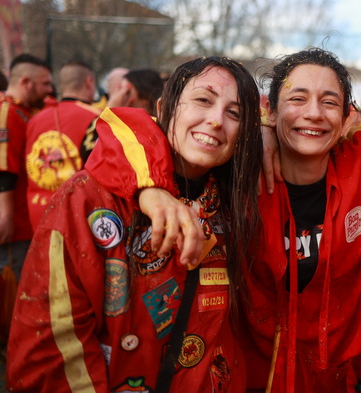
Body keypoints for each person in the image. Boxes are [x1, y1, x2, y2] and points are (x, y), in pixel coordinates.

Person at [75, 46, 361, 392]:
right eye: (297, 99)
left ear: (347, 116)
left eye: (329, 102)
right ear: (271, 111)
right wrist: (151, 187)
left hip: (340, 378)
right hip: (249, 374)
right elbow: (125, 126)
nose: (313, 113)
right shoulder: (238, 169)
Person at [7, 56, 263, 392]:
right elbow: (53, 344)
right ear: (164, 107)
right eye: (203, 100)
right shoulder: (89, 197)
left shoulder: (237, 204)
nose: (216, 120)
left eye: (235, 113)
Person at [25, 60, 101, 229]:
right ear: (89, 82)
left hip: (38, 212)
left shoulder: (35, 119)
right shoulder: (96, 118)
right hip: (74, 213)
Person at [0, 53, 52, 279]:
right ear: (25, 82)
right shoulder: (7, 111)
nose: (49, 90)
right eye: (45, 84)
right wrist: (5, 216)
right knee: (12, 281)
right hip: (15, 223)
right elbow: (4, 168)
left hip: (26, 219)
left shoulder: (26, 110)